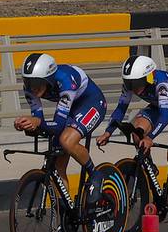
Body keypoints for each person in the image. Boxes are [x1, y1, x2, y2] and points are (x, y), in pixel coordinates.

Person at [98, 54, 168, 224]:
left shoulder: (161, 84)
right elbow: (120, 109)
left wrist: (151, 138)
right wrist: (108, 132)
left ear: (148, 76)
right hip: (158, 108)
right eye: (129, 83)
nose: (133, 88)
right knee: (136, 131)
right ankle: (150, 167)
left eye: (136, 83)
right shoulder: (131, 84)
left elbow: (165, 115)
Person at [12, 53, 107, 206]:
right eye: (28, 82)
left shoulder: (66, 80)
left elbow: (57, 125)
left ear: (49, 79)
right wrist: (25, 124)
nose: (32, 87)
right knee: (57, 167)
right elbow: (39, 118)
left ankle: (95, 174)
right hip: (70, 109)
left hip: (92, 103)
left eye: (36, 83)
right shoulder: (29, 89)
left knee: (66, 141)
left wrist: (37, 122)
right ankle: (65, 213)